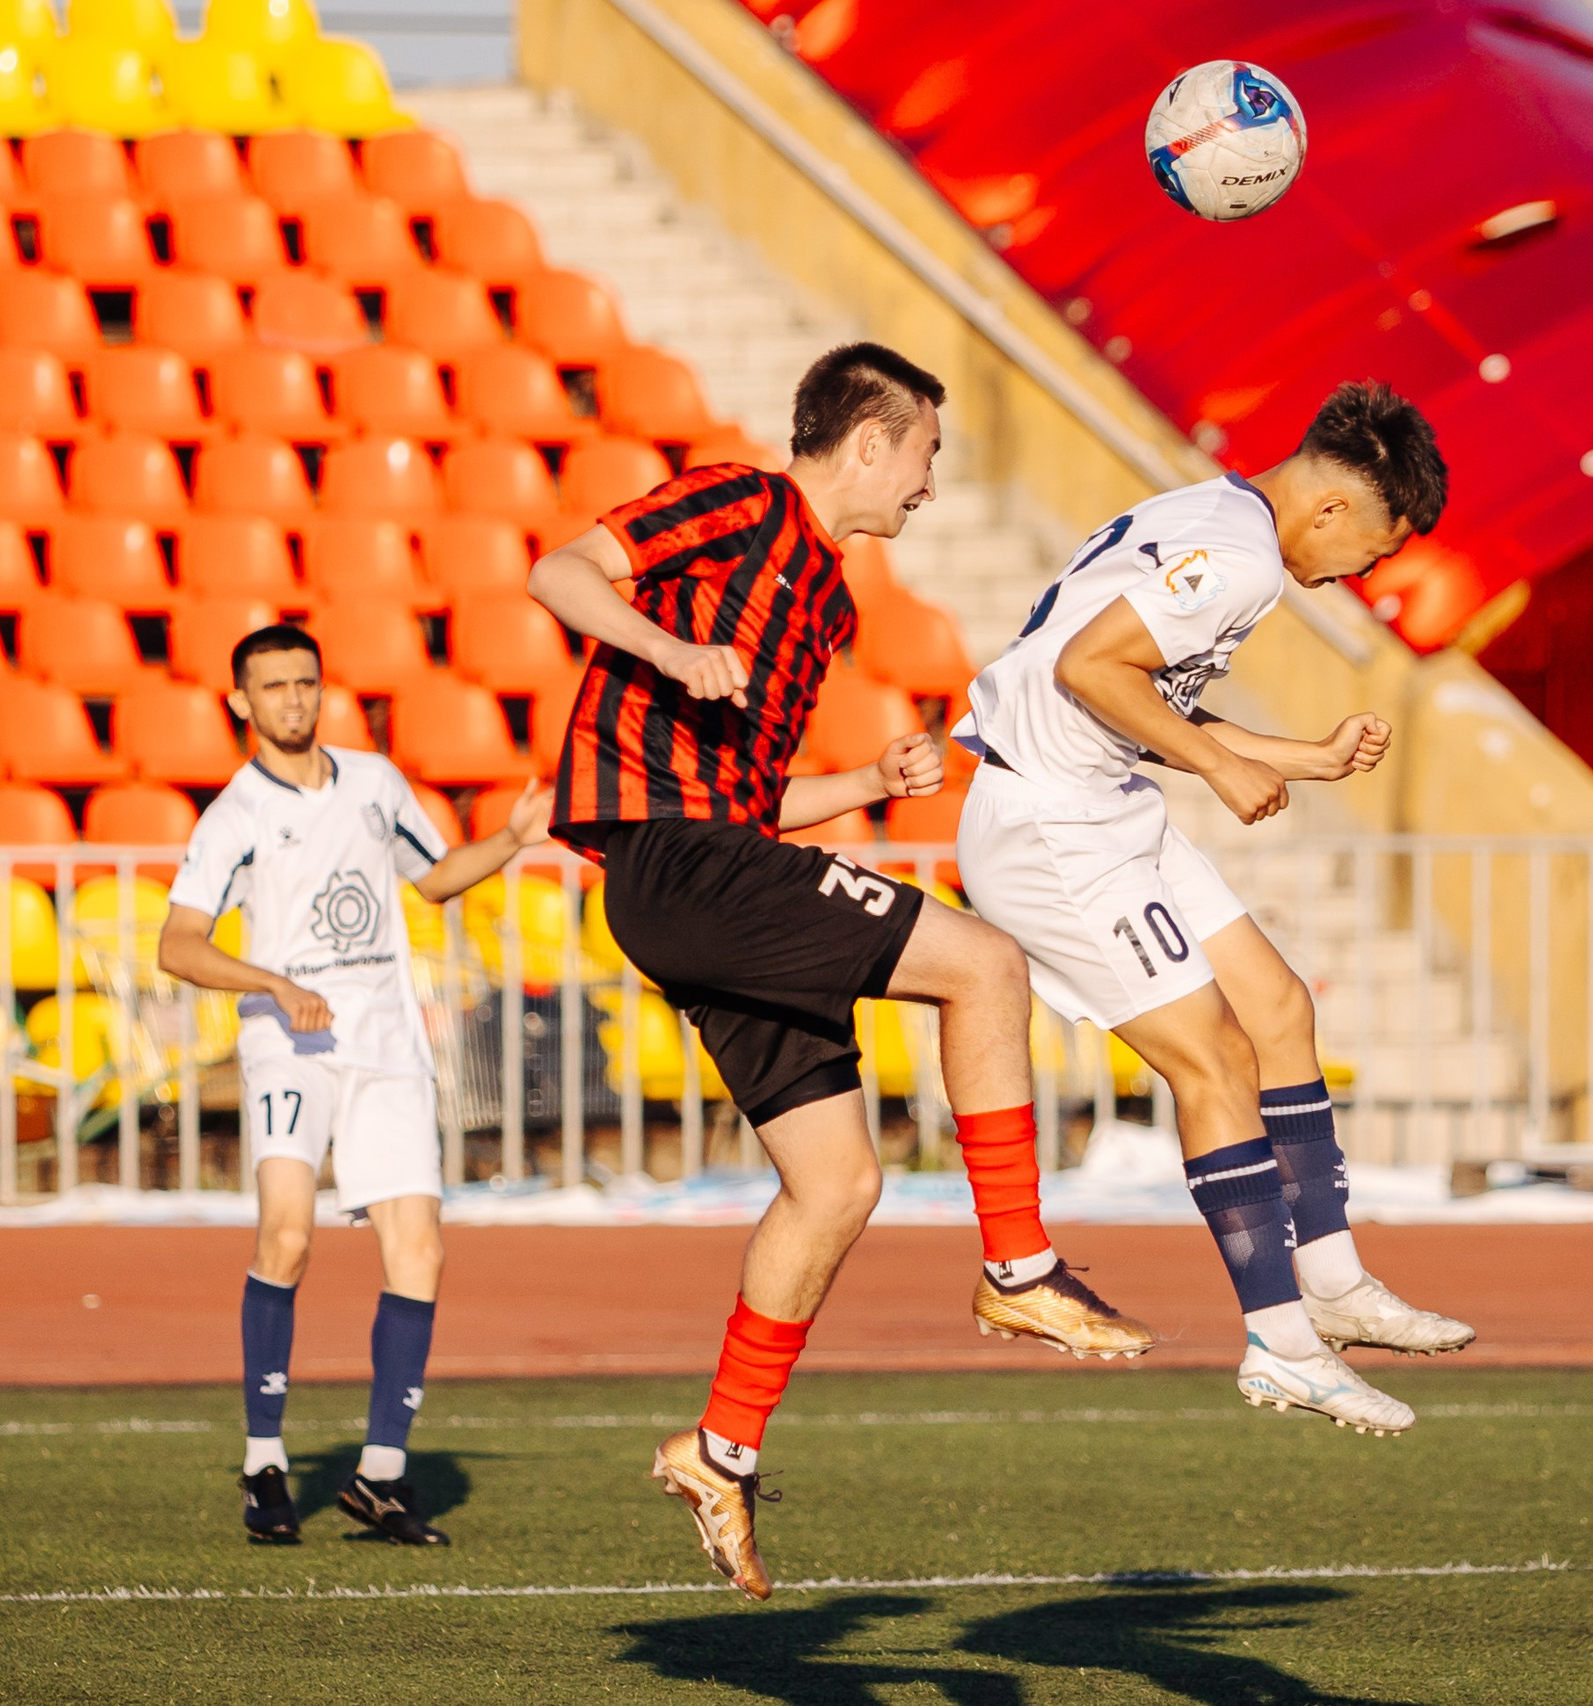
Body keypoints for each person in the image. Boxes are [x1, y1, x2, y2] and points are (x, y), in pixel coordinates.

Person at [525, 342, 1154, 1600]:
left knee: (839, 1182)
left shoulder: (829, 600)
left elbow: (754, 799)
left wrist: (868, 784)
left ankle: (718, 1451)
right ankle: (1019, 1268)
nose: (930, 482)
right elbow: (562, 569)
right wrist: (666, 646)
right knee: (982, 962)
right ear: (868, 440)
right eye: (925, 450)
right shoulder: (743, 501)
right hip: (671, 860)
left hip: (721, 862)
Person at [951, 381, 1477, 1439]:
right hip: (1052, 825)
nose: (1363, 573)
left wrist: (1299, 757)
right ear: (1331, 509)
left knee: (1278, 1008)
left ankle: (1328, 1277)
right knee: (1215, 1057)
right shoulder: (1237, 558)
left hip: (1102, 798)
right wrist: (1222, 772)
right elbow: (1088, 666)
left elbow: (1140, 690)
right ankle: (1283, 1344)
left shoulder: (1212, 516)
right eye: (1373, 548)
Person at [158, 625, 553, 1546]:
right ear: (240, 703)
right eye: (274, 687)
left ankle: (381, 1476)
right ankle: (264, 1462)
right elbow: (177, 944)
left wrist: (509, 837)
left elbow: (436, 879)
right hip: (289, 1048)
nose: (295, 700)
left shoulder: (376, 783)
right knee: (287, 1238)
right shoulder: (235, 816)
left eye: (307, 683)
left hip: (386, 1045)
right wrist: (273, 983)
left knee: (419, 1251)